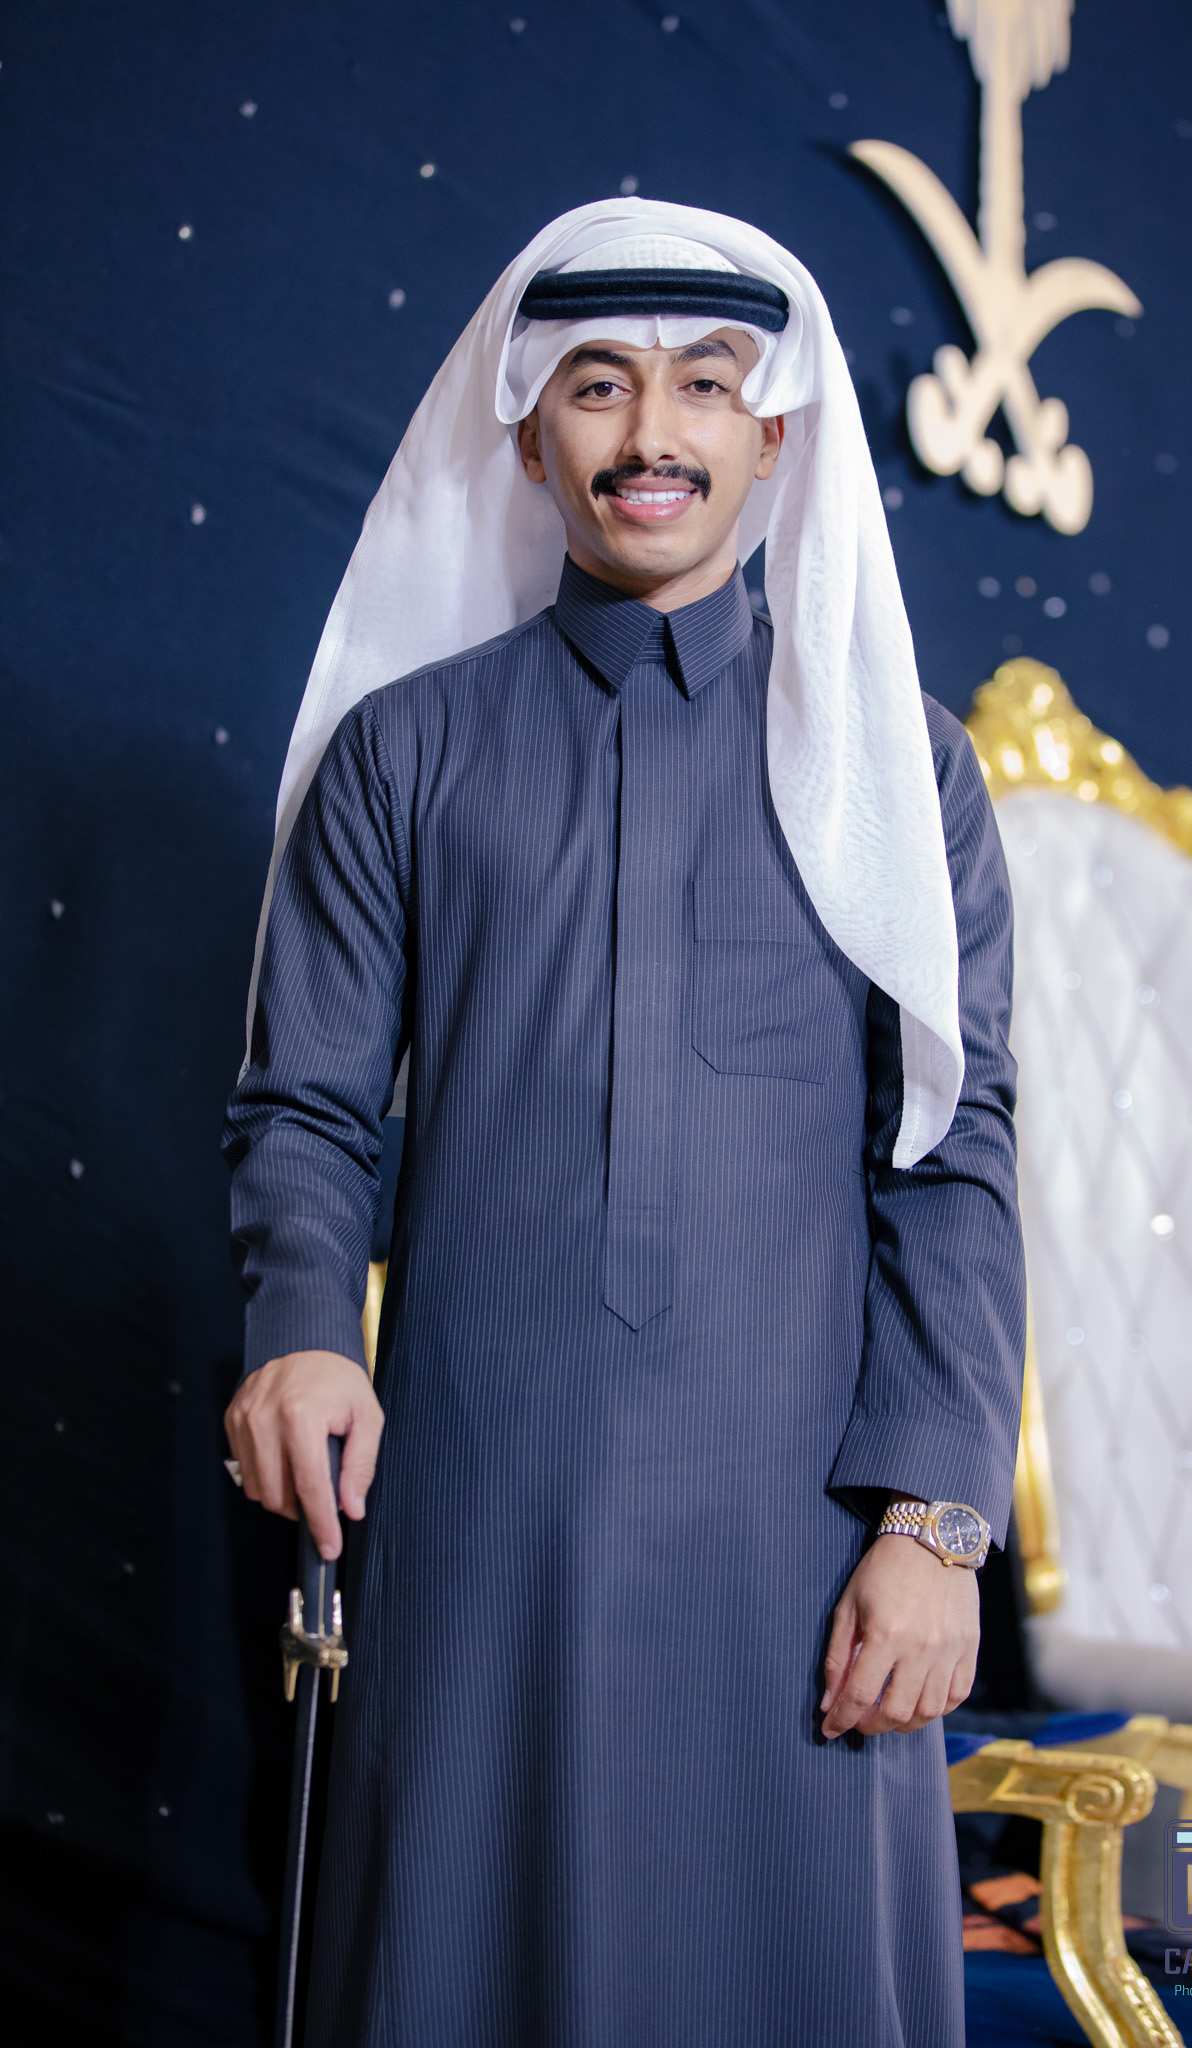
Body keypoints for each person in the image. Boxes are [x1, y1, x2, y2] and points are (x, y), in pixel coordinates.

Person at [223, 197, 1025, 2048]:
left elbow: (954, 1147)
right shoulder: (405, 751)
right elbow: (307, 1106)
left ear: (775, 433)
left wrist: (935, 1525)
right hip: (474, 1516)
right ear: (526, 434)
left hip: (805, 1536)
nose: (650, 433)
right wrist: (297, 1331)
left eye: (704, 386)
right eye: (596, 384)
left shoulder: (900, 773)